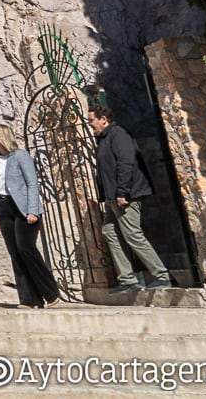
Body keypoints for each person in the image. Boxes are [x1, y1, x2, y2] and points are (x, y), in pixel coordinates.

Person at [89, 103, 172, 294]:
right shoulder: (104, 138)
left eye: (92, 120)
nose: (90, 124)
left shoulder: (118, 134)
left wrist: (122, 191)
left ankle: (161, 275)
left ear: (104, 119)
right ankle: (127, 279)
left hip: (125, 195)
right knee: (110, 231)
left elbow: (126, 163)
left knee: (133, 234)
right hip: (112, 198)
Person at [0, 123, 62, 308]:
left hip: (22, 207)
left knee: (26, 248)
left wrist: (33, 210)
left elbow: (32, 184)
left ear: (0, 138)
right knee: (15, 253)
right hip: (4, 207)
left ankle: (51, 293)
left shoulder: (20, 156)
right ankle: (29, 299)